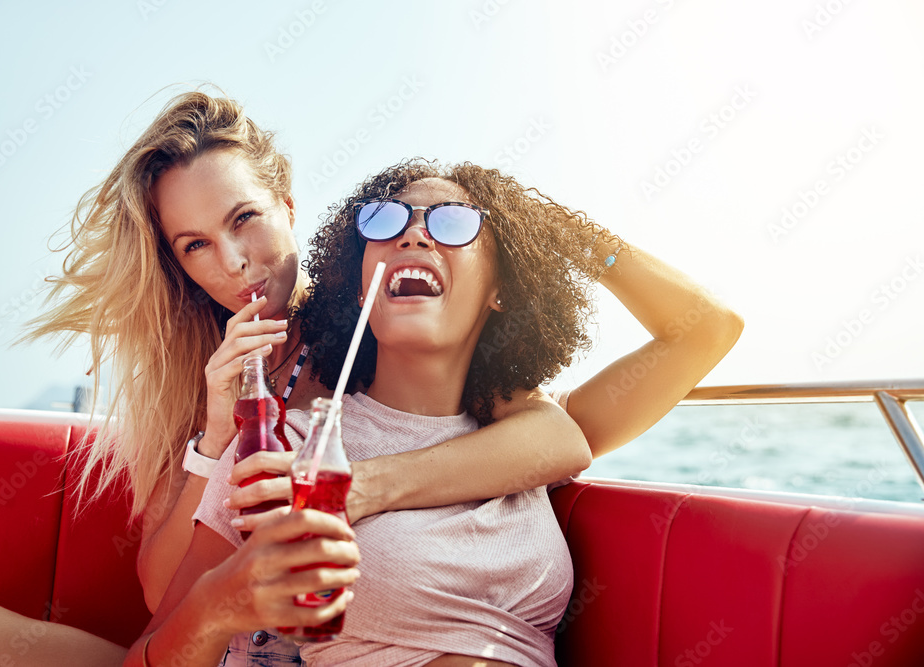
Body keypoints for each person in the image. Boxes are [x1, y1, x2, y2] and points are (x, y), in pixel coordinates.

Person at [127, 160, 744, 666]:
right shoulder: (286, 446)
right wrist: (222, 602)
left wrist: (564, 233)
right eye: (387, 220)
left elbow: (707, 329)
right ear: (359, 277)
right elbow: (157, 641)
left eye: (454, 222)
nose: (414, 234)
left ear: (504, 284)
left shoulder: (525, 434)